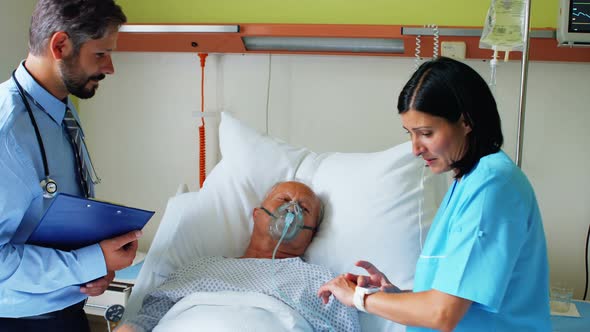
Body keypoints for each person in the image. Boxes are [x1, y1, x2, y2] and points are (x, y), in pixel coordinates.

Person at [317, 57, 551, 331]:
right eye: (410, 134)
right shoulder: (467, 181)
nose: (415, 148)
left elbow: (443, 314)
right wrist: (392, 297)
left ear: (466, 122)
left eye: (426, 133)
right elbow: (453, 300)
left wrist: (359, 298)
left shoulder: (491, 186)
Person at [0, 1, 142, 331]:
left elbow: (50, 213)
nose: (110, 68)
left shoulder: (60, 110)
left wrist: (95, 266)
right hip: (19, 321)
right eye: (100, 54)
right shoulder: (7, 134)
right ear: (60, 45)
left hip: (69, 310)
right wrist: (91, 260)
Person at [117, 181, 360, 332]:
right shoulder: (201, 267)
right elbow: (148, 316)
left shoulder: (323, 281)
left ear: (312, 234)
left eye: (304, 209)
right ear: (256, 214)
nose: (292, 209)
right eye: (284, 200)